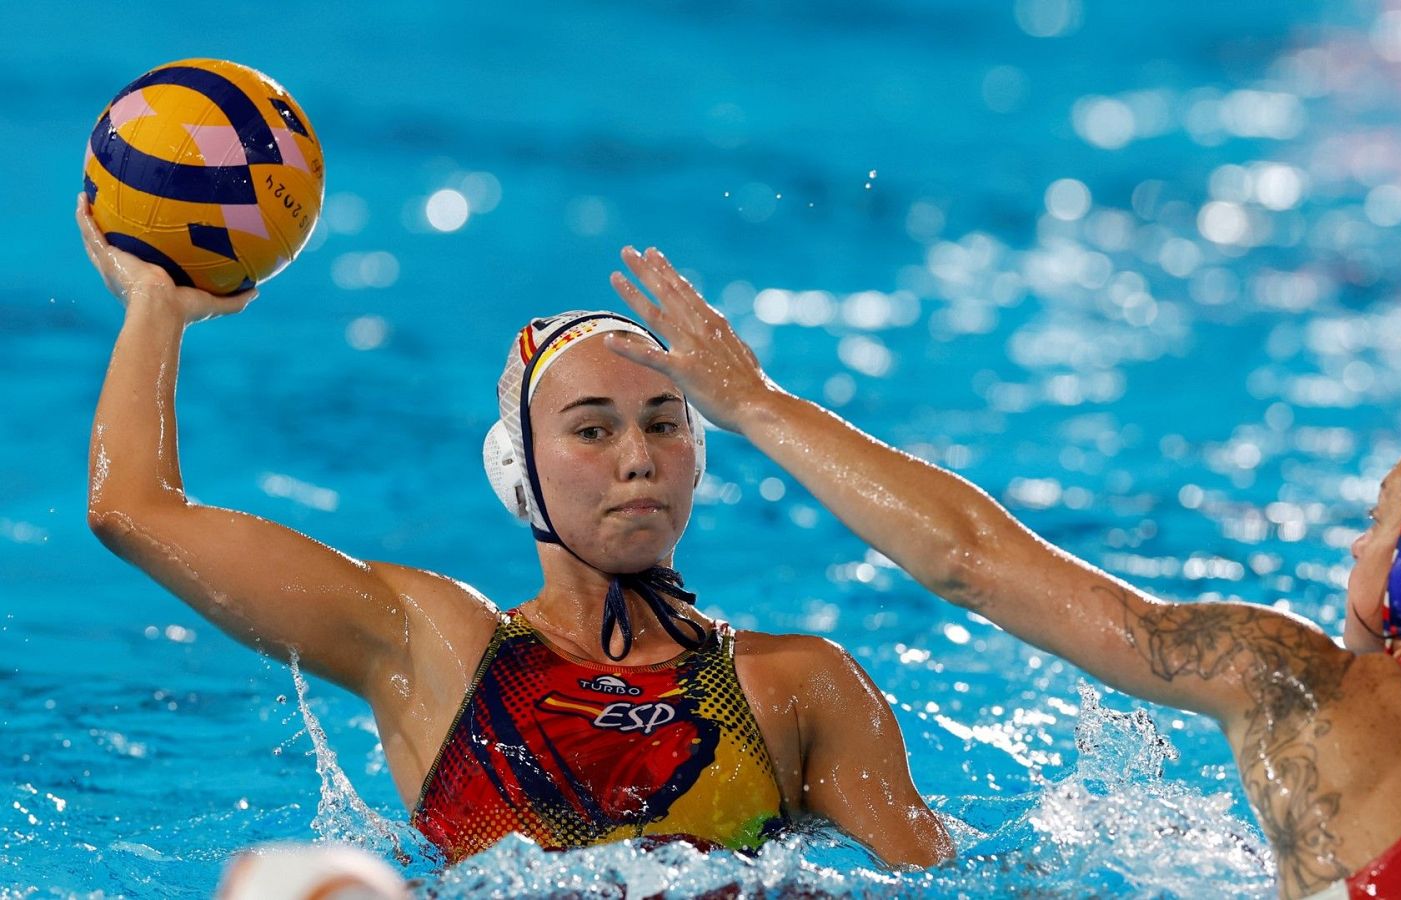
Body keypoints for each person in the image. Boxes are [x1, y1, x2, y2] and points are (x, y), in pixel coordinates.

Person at [605, 245, 1401, 899]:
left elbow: (971, 563)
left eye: (1380, 520)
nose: (1354, 546)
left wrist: (759, 405)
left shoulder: (1303, 686)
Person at [75, 197, 952, 869]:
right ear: (517, 470)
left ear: (697, 457)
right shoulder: (435, 647)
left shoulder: (800, 687)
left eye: (664, 423)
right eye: (592, 429)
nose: (637, 459)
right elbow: (136, 511)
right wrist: (155, 305)